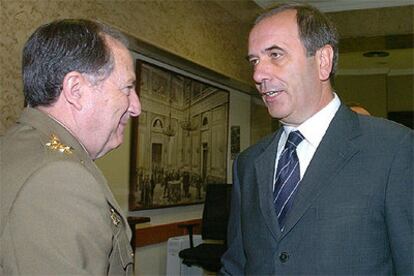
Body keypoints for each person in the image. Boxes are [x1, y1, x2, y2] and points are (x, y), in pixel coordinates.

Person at [220, 3, 413, 275]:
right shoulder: (248, 164)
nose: (258, 75)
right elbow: (236, 266)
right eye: (254, 61)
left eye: (275, 54)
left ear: (323, 61)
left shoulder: (394, 150)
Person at [0, 19, 141, 275]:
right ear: (76, 90)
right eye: (128, 88)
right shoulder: (58, 179)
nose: (135, 107)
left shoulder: (19, 148)